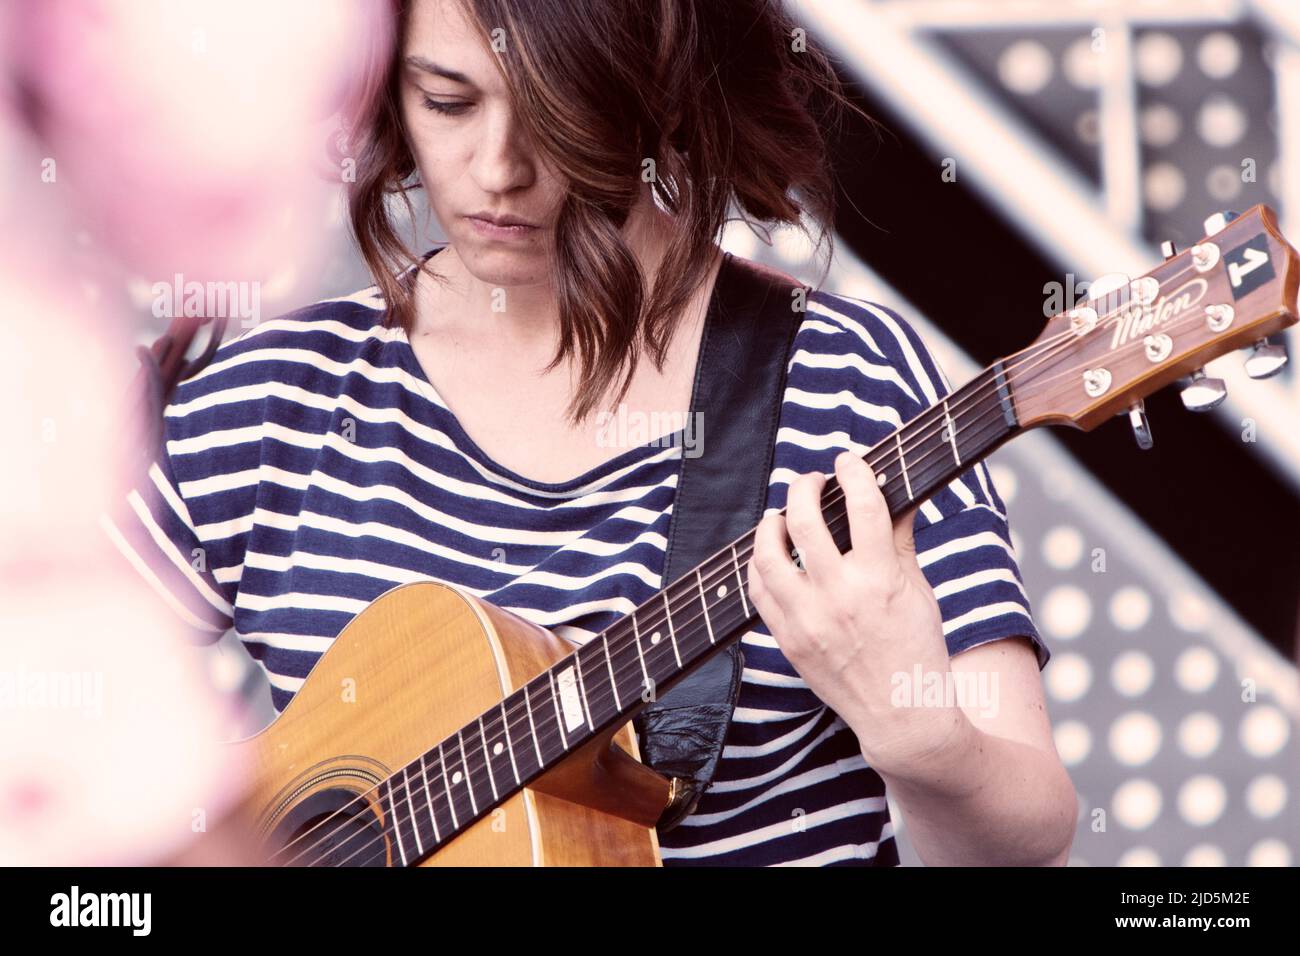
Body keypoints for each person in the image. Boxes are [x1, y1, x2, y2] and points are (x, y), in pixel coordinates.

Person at [103, 0, 1076, 866]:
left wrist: (921, 737)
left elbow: (1020, 837)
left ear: (662, 103)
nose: (497, 169)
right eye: (448, 101)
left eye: (558, 114)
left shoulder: (843, 377)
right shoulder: (279, 393)